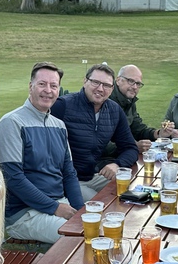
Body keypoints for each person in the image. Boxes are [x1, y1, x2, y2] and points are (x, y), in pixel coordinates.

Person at [0, 62, 84, 244]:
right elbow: (13, 178)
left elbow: (69, 173)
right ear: (31, 86)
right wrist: (55, 207)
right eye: (42, 84)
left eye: (54, 86)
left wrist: (80, 210)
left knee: (97, 227)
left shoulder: (59, 126)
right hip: (24, 214)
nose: (48, 91)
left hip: (58, 204)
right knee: (79, 238)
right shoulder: (12, 122)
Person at [51, 64, 139, 201]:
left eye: (106, 85)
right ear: (85, 81)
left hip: (95, 176)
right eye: (95, 82)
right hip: (67, 180)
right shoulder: (62, 106)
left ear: (112, 89)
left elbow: (130, 148)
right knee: (102, 205)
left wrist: (117, 164)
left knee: (134, 191)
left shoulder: (114, 110)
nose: (100, 89)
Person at [102, 64, 178, 160]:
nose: (135, 87)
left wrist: (159, 133)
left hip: (121, 157)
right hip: (102, 161)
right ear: (118, 80)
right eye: (131, 81)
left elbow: (138, 129)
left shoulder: (129, 101)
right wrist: (132, 146)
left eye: (138, 83)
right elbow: (101, 143)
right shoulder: (105, 101)